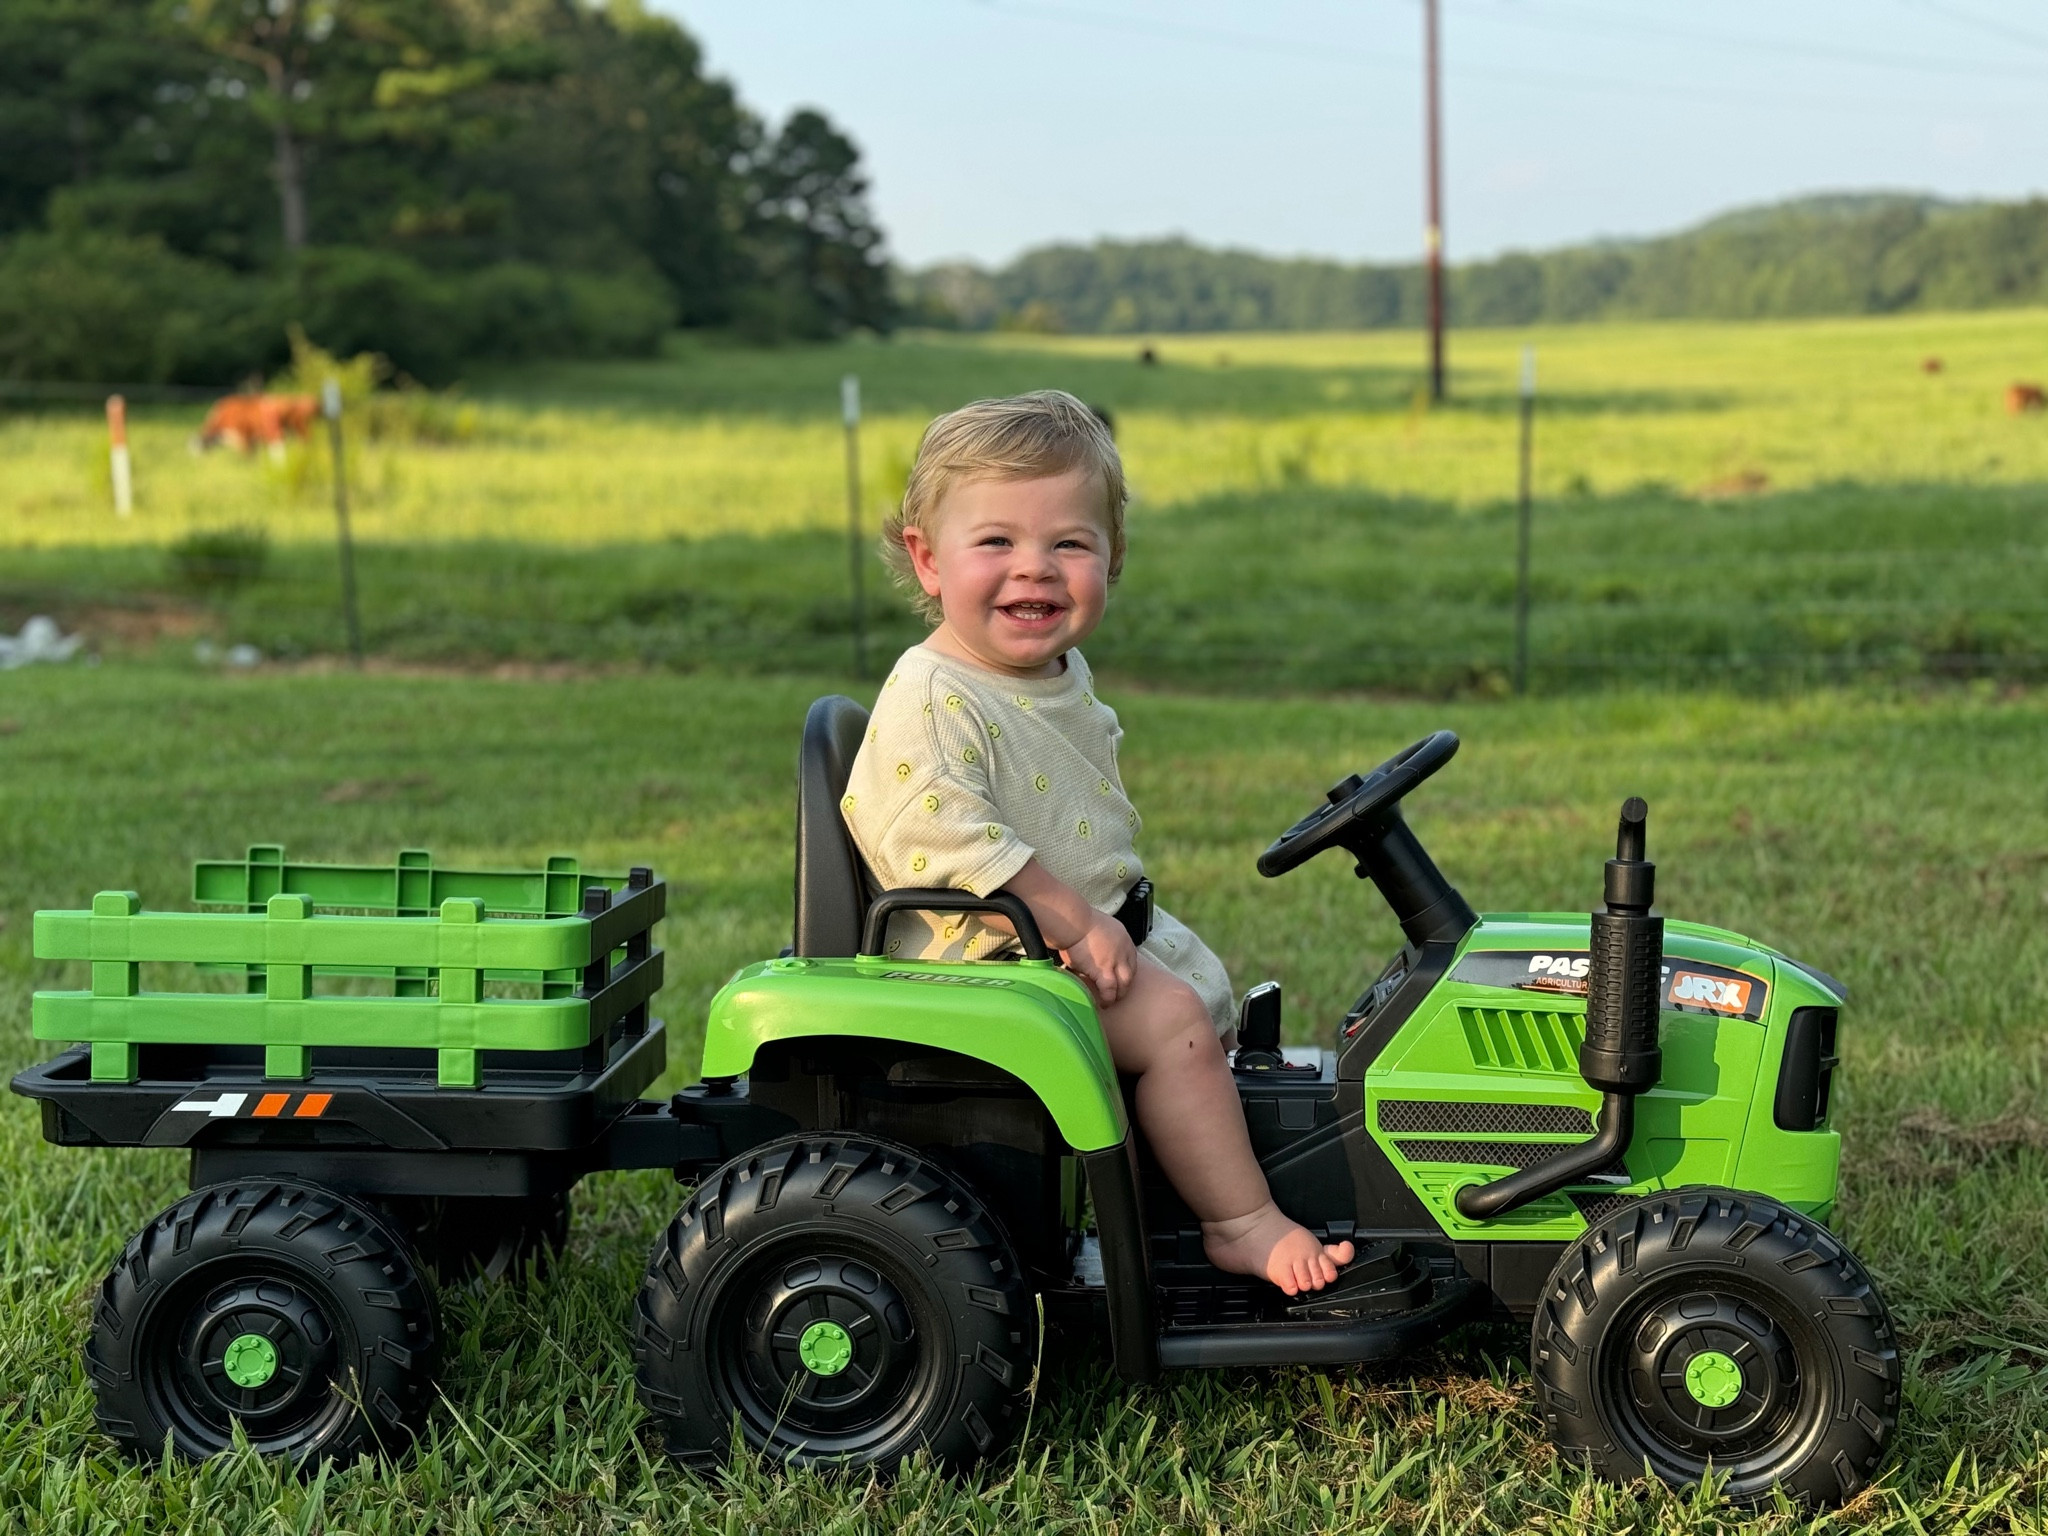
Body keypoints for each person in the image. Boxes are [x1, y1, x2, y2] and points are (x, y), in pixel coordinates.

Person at [840, 389, 1354, 1296]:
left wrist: (1096, 925)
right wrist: (1074, 921)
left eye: (1068, 544)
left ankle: (1172, 1207)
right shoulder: (932, 696)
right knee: (1171, 1025)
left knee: (1204, 1001)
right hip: (986, 954)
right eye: (995, 542)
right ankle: (1240, 1222)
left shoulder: (1050, 674)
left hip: (1068, 937)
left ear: (1112, 559)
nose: (1033, 570)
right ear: (928, 559)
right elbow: (938, 832)